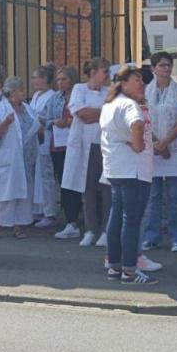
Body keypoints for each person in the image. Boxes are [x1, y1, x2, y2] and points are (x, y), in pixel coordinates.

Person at [101, 66, 156, 285]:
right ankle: (130, 271)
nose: (141, 83)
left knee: (117, 217)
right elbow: (137, 123)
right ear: (123, 83)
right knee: (131, 220)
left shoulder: (109, 105)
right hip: (134, 169)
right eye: (136, 80)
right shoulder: (129, 104)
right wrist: (137, 143)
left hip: (115, 168)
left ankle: (115, 266)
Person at [57, 58, 112, 248]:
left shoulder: (109, 92)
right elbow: (83, 115)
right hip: (84, 145)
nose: (107, 75)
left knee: (106, 190)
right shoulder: (79, 90)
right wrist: (105, 111)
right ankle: (90, 230)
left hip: (105, 145)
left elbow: (108, 115)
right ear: (94, 71)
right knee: (87, 189)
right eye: (104, 71)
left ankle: (106, 230)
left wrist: (97, 112)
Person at [141, 52, 177, 253]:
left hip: (176, 148)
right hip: (153, 148)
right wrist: (156, 144)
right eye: (161, 66)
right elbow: (142, 118)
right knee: (153, 194)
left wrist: (167, 142)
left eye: (169, 65)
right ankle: (151, 235)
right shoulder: (146, 91)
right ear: (153, 68)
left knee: (174, 194)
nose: (166, 69)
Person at [0, 76, 40, 240]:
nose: (24, 93)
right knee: (6, 193)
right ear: (12, 92)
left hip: (27, 157)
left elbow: (33, 125)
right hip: (9, 156)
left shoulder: (27, 108)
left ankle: (19, 225)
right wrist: (5, 123)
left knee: (24, 192)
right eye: (21, 90)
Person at [45, 66, 84, 241]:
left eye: (64, 79)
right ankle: (71, 220)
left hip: (78, 144)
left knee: (83, 181)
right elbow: (43, 119)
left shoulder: (80, 95)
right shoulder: (54, 98)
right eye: (59, 79)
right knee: (65, 182)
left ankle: (90, 218)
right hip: (59, 145)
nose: (61, 83)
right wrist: (56, 121)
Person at [29, 64, 58, 228]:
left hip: (46, 138)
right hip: (35, 139)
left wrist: (39, 122)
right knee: (37, 175)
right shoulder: (36, 96)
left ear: (44, 79)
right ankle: (38, 208)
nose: (33, 81)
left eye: (35, 77)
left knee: (46, 176)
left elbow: (49, 117)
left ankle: (50, 212)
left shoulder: (52, 96)